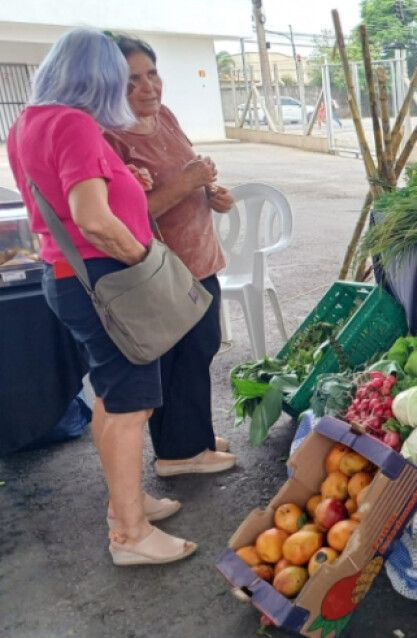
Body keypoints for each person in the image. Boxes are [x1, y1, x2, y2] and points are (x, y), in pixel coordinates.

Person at [6, 28, 195, 565]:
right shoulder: (74, 123)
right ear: (100, 79)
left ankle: (124, 504)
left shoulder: (28, 122)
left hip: (70, 277)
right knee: (132, 406)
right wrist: (144, 264)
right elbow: (91, 218)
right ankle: (131, 535)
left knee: (112, 398)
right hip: (106, 280)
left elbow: (66, 194)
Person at [103, 35, 237, 478]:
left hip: (200, 259)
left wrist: (212, 194)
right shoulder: (110, 138)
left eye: (152, 74)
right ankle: (179, 453)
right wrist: (184, 184)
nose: (148, 87)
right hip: (162, 272)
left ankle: (195, 437)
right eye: (132, 81)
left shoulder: (165, 117)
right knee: (177, 360)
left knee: (201, 349)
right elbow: (123, 218)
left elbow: (190, 177)